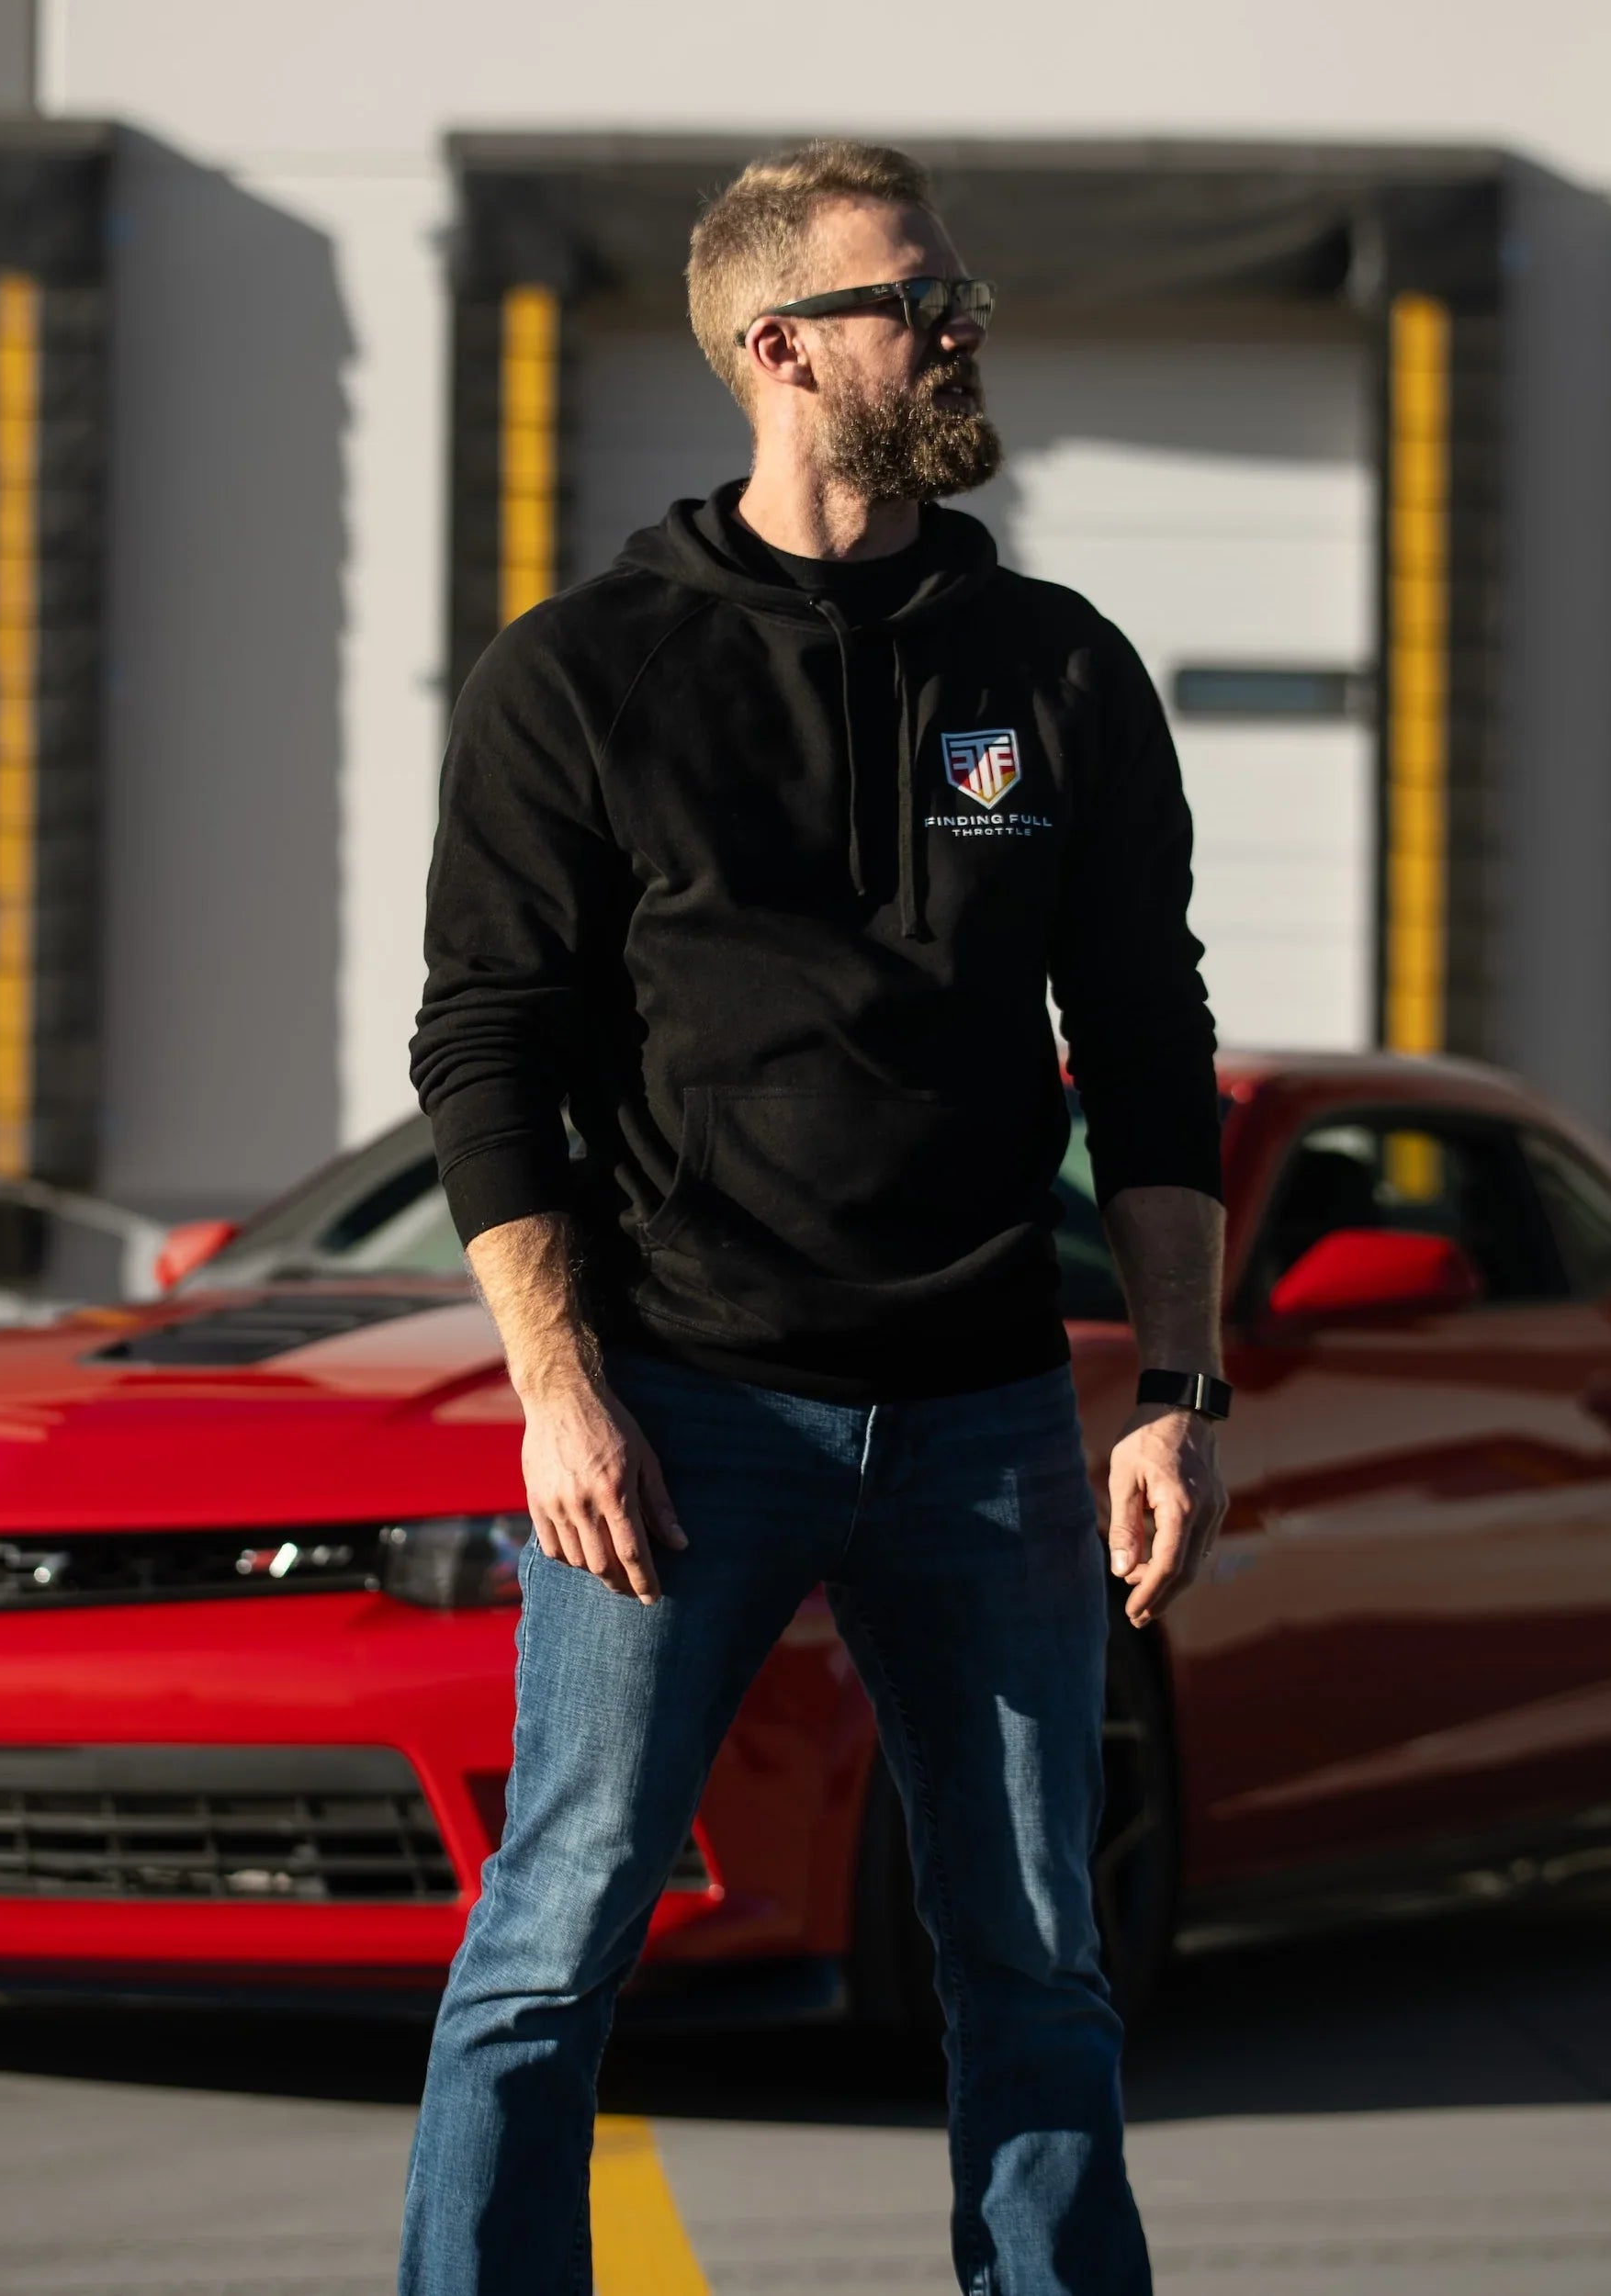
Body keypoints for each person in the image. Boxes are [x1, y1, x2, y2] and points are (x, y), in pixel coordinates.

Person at [400, 138, 1228, 2296]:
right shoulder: (581, 675)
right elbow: (484, 1048)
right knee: (553, 1932)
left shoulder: (1052, 667)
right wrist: (559, 1391)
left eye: (954, 287)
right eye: (912, 294)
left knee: (1036, 1954)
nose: (958, 323)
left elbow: (1145, 1046)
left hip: (977, 1413)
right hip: (685, 1414)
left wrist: (1175, 1384)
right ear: (778, 348)